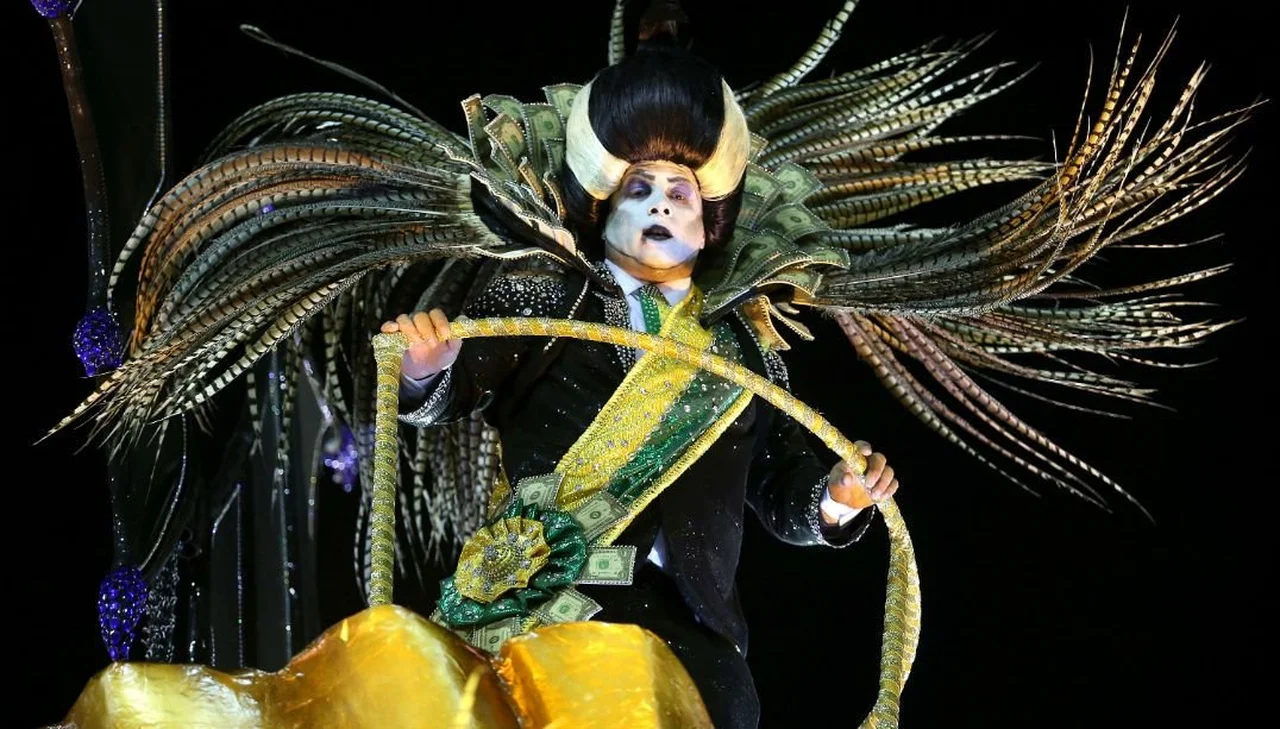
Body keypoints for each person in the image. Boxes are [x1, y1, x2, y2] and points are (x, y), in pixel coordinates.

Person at [379, 29, 900, 724]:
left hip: (696, 634)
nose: (660, 204)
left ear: (709, 226)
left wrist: (836, 498)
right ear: (603, 209)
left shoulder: (747, 357)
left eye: (680, 193)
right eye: (639, 188)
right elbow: (459, 383)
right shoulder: (548, 300)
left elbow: (784, 491)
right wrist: (426, 369)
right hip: (547, 606)